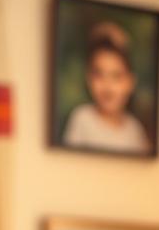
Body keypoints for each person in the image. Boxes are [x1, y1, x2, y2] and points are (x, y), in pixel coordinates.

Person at [62, 21, 150, 155]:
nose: (107, 86)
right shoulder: (82, 118)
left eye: (116, 76)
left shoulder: (135, 130)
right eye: (99, 75)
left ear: (130, 82)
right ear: (89, 79)